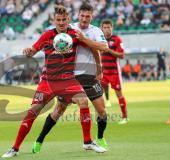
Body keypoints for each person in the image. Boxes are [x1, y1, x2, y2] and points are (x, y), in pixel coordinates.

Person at [1, 5, 107, 158]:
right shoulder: (46, 35)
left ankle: (88, 141)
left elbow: (93, 48)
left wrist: (98, 66)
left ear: (69, 20)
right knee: (32, 112)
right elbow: (33, 51)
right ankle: (14, 148)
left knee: (83, 101)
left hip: (68, 81)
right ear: (54, 20)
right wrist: (28, 51)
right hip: (48, 81)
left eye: (64, 19)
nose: (62, 22)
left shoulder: (75, 35)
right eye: (58, 20)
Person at [31, 3, 109, 154]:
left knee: (102, 110)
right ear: (77, 15)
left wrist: (98, 67)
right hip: (69, 76)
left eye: (88, 16)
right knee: (59, 110)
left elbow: (101, 48)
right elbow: (51, 43)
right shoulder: (68, 28)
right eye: (82, 16)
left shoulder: (94, 31)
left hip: (89, 75)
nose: (84, 19)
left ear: (92, 17)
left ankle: (99, 138)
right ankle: (39, 140)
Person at [101, 19, 129, 124]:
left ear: (112, 28)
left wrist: (109, 50)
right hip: (103, 72)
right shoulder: (100, 39)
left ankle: (125, 117)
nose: (107, 29)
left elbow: (121, 55)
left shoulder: (117, 39)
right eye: (105, 27)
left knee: (119, 94)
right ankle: (101, 117)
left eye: (109, 27)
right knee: (98, 95)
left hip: (114, 72)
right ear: (102, 29)